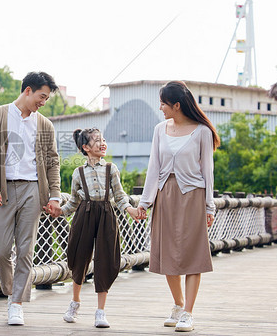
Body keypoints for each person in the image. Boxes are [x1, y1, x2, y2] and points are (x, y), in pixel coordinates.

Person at [0, 71, 62, 326]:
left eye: (46, 98)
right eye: (42, 96)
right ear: (28, 90)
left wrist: (55, 195)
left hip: (33, 190)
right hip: (3, 191)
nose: (43, 102)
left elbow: (52, 162)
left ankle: (16, 303)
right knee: (1, 248)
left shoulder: (45, 124)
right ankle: (9, 291)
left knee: (26, 249)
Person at [138, 81, 220, 332]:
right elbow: (154, 168)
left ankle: (188, 313)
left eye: (163, 103)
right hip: (165, 196)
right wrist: (145, 202)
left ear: (176, 105)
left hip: (193, 197)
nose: (160, 107)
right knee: (167, 254)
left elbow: (208, 171)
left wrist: (209, 207)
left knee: (193, 255)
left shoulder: (202, 132)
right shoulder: (160, 129)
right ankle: (178, 304)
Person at [53, 128, 145, 328]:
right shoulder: (78, 173)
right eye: (97, 141)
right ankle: (75, 303)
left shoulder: (111, 169)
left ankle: (100, 311)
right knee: (78, 258)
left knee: (106, 260)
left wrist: (130, 209)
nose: (103, 143)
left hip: (106, 215)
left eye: (103, 139)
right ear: (85, 147)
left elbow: (120, 196)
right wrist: (59, 211)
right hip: (83, 215)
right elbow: (73, 202)